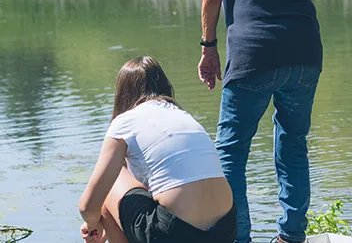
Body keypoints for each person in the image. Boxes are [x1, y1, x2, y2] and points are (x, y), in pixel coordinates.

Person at [198, 0, 323, 243]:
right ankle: (292, 236)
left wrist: (208, 47)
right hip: (304, 51)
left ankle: (240, 239)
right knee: (293, 144)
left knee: (230, 154)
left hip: (255, 54)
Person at [78, 56, 237, 243]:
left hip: (174, 233)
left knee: (110, 183)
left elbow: (87, 207)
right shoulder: (182, 115)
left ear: (122, 95)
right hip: (226, 228)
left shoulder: (124, 122)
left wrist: (93, 225)